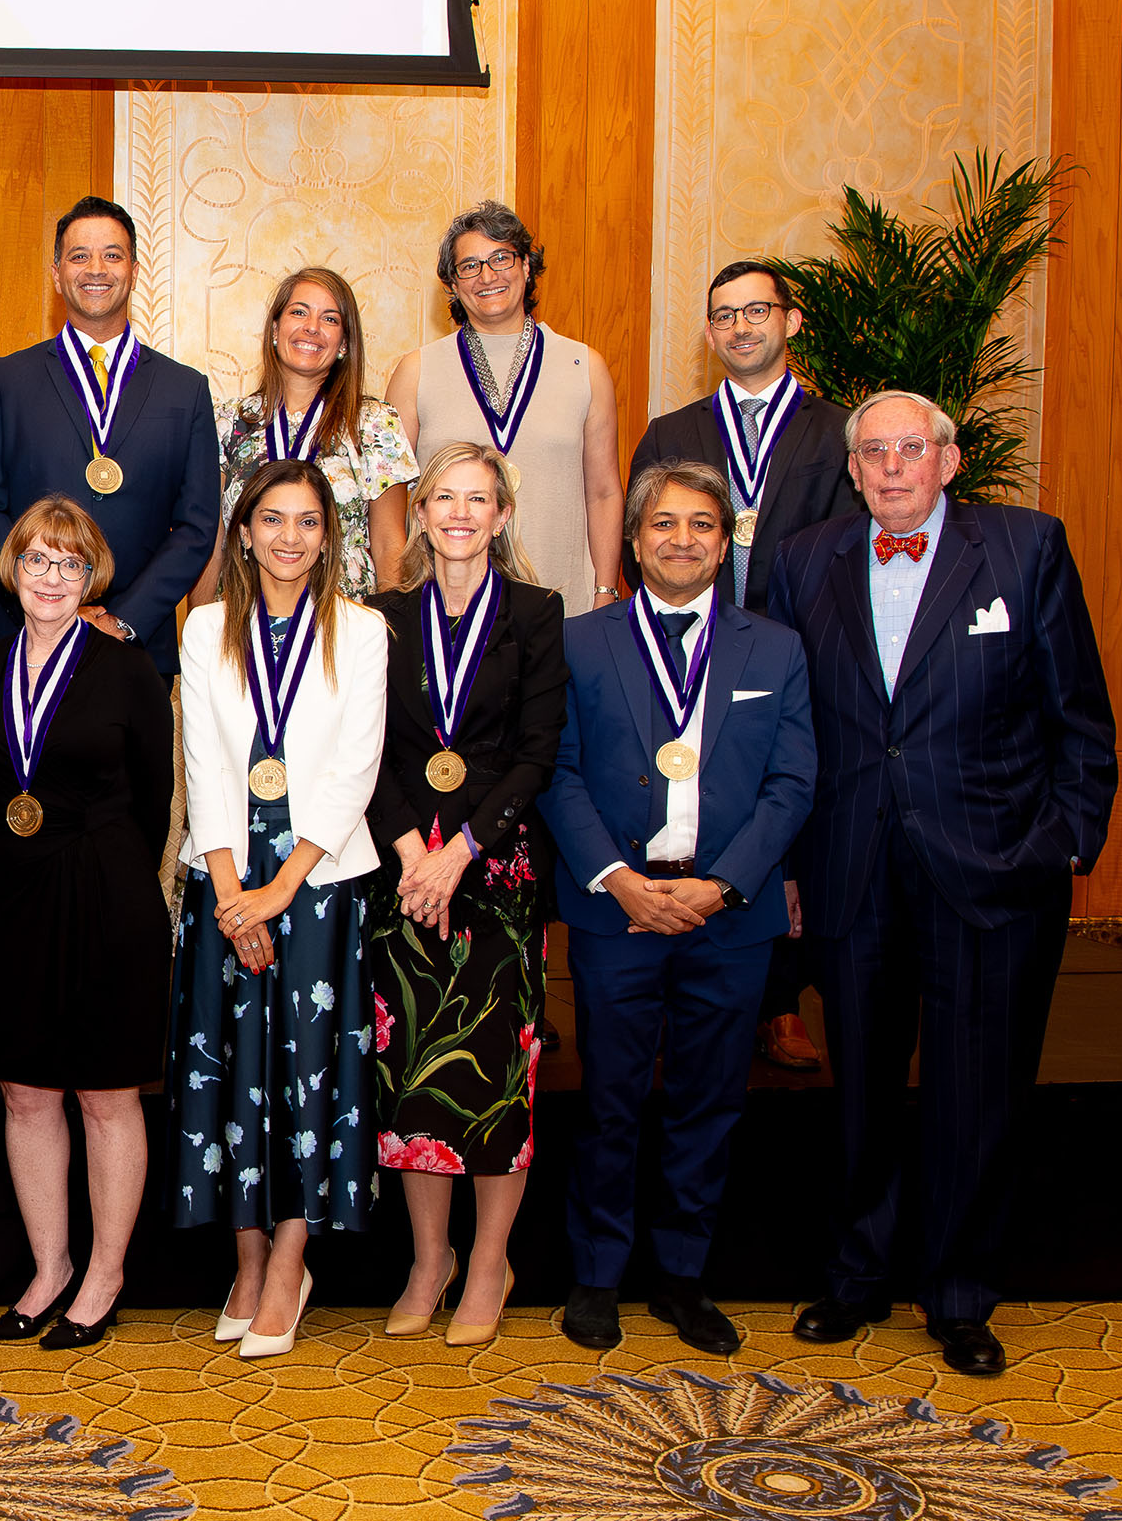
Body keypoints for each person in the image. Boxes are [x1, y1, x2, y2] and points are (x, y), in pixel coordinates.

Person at [768, 391, 1115, 1376]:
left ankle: (960, 1293)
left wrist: (1064, 843)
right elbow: (786, 730)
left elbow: (1079, 717)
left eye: (909, 449)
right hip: (851, 868)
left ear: (948, 460)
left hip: (996, 873)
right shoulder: (805, 562)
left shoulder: (1025, 549)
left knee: (978, 1090)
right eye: (872, 452)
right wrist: (789, 863)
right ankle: (858, 1274)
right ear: (853, 468)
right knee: (863, 1086)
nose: (890, 468)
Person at [542, 459, 816, 1356]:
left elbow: (792, 781)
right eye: (664, 523)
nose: (683, 539)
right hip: (616, 910)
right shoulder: (581, 642)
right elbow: (560, 773)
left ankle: (684, 1278)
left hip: (728, 913)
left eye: (703, 523)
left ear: (725, 539)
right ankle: (596, 1276)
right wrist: (617, 881)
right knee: (612, 1100)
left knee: (709, 1103)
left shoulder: (773, 647)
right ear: (634, 538)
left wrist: (725, 883)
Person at [169, 458, 387, 1361]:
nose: (289, 537)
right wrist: (231, 893)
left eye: (307, 521)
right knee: (227, 1070)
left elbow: (355, 768)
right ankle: (248, 1260)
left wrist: (282, 886)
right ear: (244, 531)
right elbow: (207, 762)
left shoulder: (363, 630)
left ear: (328, 535)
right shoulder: (206, 627)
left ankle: (292, 1257)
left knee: (308, 1077)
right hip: (224, 870)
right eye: (272, 520)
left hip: (320, 878)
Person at [629, 259, 859, 1076]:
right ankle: (672, 979)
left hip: (800, 655)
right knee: (693, 797)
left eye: (756, 310)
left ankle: (782, 999)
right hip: (692, 652)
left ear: (790, 321)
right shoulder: (673, 431)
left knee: (786, 803)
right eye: (723, 315)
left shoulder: (838, 432)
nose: (740, 327)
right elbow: (645, 548)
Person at [364, 442, 568, 1349]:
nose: (458, 512)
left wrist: (461, 854)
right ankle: (428, 1260)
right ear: (420, 513)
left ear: (502, 513)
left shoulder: (537, 613)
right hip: (405, 870)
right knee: (411, 1076)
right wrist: (416, 853)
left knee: (494, 1079)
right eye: (442, 496)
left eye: (477, 499)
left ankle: (490, 1261)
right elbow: (365, 750)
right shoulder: (380, 617)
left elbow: (537, 752)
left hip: (498, 874)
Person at [0, 496, 170, 1352]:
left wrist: (115, 869)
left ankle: (105, 1273)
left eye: (70, 564)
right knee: (24, 1090)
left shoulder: (127, 664)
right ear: (13, 569)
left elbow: (155, 798)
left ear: (92, 577)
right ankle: (48, 1268)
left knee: (106, 1092)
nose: (52, 578)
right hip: (10, 896)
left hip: (104, 894)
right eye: (38, 561)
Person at [0, 197, 220, 669]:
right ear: (56, 273)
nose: (96, 269)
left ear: (134, 271)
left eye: (112, 255)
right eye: (79, 256)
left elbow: (197, 526)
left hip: (136, 646)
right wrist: (43, 599)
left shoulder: (185, 389)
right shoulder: (3, 381)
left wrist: (126, 619)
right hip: (24, 637)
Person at [389, 200, 627, 615]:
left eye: (501, 258)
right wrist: (399, 596)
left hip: (561, 599)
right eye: (470, 265)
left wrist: (605, 591)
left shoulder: (584, 366)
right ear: (453, 284)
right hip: (445, 603)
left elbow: (604, 492)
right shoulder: (416, 371)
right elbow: (390, 498)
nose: (488, 276)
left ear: (526, 267)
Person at [205, 267, 419, 601]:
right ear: (275, 329)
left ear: (345, 342)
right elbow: (212, 544)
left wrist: (392, 632)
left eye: (330, 319)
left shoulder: (376, 423)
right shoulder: (226, 423)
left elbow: (390, 541)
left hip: (343, 622)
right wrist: (200, 632)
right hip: (242, 618)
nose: (312, 327)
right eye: (299, 312)